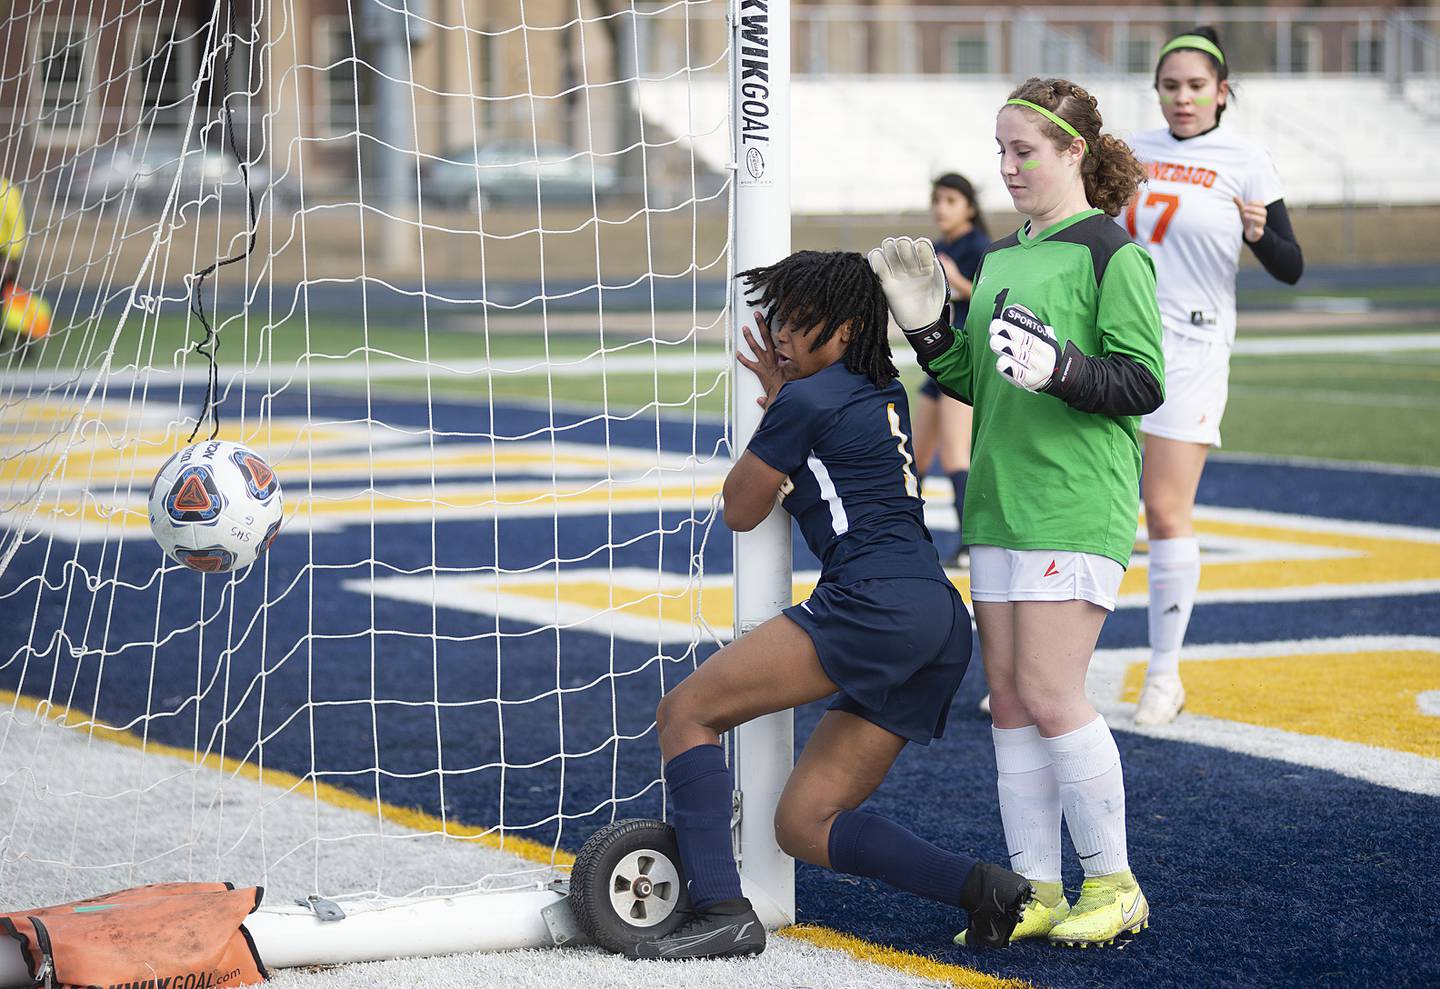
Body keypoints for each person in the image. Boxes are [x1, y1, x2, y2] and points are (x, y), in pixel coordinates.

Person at [627, 250, 1031, 961]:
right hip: (937, 615)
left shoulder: (805, 402)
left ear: (846, 328)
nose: (781, 331)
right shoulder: (883, 386)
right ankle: (987, 888)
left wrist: (780, 405)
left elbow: (740, 510)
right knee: (804, 824)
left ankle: (721, 908)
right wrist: (792, 395)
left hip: (873, 602)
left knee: (685, 712)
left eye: (801, 319)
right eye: (777, 315)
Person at [869, 77, 1164, 948]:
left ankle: (1115, 881)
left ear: (1075, 151)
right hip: (998, 504)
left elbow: (1142, 382)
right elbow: (973, 380)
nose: (1007, 167)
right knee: (1005, 700)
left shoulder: (1113, 253)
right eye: (1000, 150)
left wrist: (1063, 369)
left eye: (1023, 151)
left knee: (1047, 690)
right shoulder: (999, 258)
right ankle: (1037, 885)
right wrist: (927, 329)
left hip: (1074, 505)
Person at [1125, 27, 1304, 726]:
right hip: (1118, 343)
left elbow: (1291, 265)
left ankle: (1164, 676)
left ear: (1222, 91)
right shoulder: (1131, 150)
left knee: (1166, 511)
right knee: (1096, 510)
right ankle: (1057, 667)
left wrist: (1261, 234)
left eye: (1196, 85)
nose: (1183, 98)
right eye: (1171, 86)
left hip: (1194, 349)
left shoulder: (1248, 159)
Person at [912, 174, 990, 569]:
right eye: (937, 200)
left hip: (967, 362)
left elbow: (991, 300)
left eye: (951, 200)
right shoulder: (940, 247)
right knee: (914, 456)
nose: (941, 208)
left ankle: (970, 542)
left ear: (970, 207)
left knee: (957, 453)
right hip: (939, 362)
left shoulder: (981, 247)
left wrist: (956, 279)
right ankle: (903, 539)